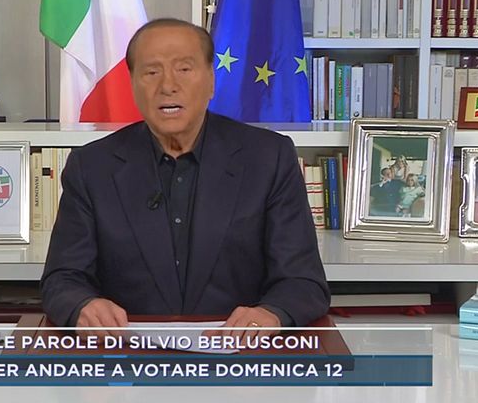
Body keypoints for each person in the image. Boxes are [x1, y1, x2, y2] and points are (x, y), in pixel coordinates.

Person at [41, 18, 330, 337]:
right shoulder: (91, 167)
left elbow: (303, 281)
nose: (168, 85)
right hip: (128, 354)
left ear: (211, 81)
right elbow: (62, 279)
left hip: (237, 355)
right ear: (132, 84)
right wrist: (82, 305)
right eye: (152, 72)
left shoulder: (268, 158)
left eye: (184, 69)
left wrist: (271, 313)